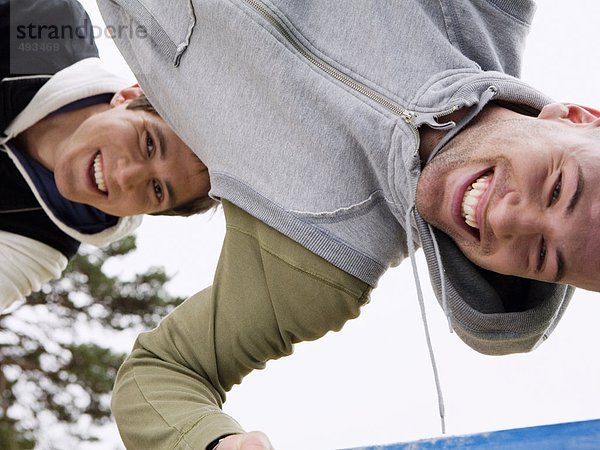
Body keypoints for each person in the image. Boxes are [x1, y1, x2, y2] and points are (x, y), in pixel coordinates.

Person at [95, 0, 589, 448]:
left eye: (541, 255)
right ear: (576, 118)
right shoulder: (483, 11)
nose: (505, 217)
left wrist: (213, 444)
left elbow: (158, 372)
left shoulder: (324, 264)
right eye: (558, 188)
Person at [0, 0, 213, 312]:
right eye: (149, 143)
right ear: (129, 96)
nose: (127, 177)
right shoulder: (49, 22)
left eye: (157, 190)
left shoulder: (40, 245)